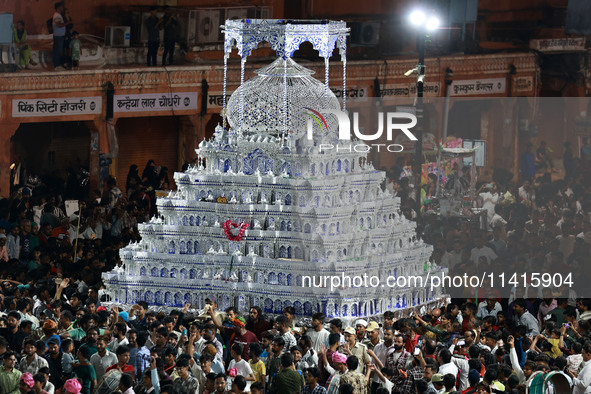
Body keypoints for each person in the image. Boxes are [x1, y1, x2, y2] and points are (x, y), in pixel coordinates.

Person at [52, 2, 69, 70]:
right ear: (58, 8)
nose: (63, 8)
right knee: (57, 51)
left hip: (60, 36)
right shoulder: (56, 15)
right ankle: (56, 66)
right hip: (58, 36)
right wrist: (69, 22)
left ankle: (58, 64)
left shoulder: (59, 15)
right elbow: (59, 25)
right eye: (62, 7)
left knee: (59, 51)